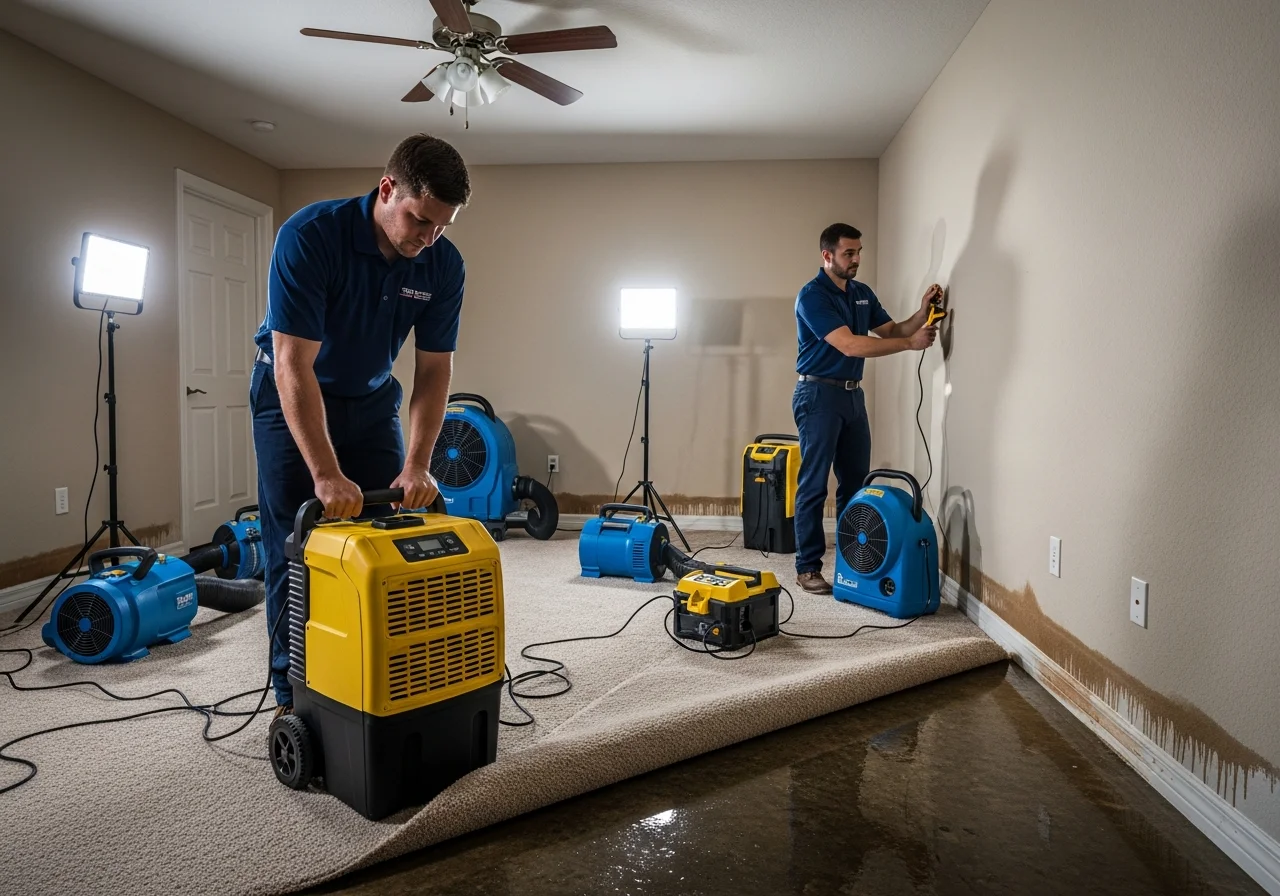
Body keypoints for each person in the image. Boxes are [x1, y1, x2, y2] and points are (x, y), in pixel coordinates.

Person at [249, 133, 471, 716]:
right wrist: (324, 473)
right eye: (421, 220)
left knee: (387, 539)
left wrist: (418, 464)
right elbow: (295, 364)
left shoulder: (443, 265)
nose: (429, 238)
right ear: (387, 189)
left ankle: (377, 678)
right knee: (294, 547)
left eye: (442, 227)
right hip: (292, 394)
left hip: (372, 401)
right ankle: (292, 697)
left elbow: (433, 373)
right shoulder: (310, 236)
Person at [791, 223, 941, 594]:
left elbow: (891, 330)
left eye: (859, 252)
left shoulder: (861, 293)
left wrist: (921, 314)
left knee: (855, 484)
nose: (856, 260)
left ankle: (852, 561)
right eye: (848, 253)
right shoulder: (812, 296)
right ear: (827, 256)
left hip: (852, 397)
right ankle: (807, 566)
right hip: (818, 396)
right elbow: (850, 346)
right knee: (813, 485)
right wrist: (910, 344)